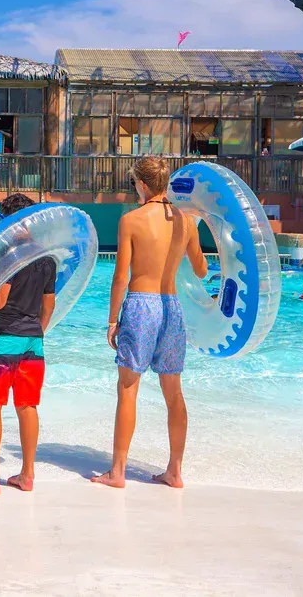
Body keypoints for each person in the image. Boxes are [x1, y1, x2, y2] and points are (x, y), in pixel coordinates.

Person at [93, 156, 207, 490]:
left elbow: (120, 277)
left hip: (142, 306)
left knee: (128, 388)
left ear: (142, 184)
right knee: (174, 393)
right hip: (171, 307)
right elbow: (201, 270)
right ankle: (174, 471)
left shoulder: (131, 219)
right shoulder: (185, 222)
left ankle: (117, 472)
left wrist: (112, 320)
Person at [0, 194, 57, 497]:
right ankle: (27, 474)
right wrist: (35, 332)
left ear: (9, 220)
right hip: (33, 340)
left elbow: (1, 300)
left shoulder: (8, 253)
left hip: (4, 338)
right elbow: (48, 305)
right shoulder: (46, 258)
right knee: (27, 406)